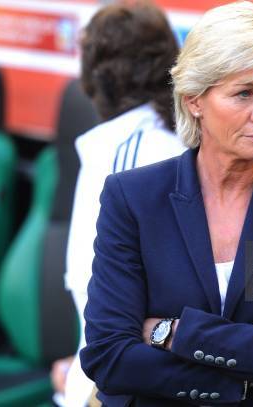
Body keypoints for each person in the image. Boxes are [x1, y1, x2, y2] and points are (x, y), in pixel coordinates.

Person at [81, 2, 253, 406]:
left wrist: (172, 333)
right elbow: (110, 356)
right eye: (244, 93)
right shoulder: (132, 197)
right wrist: (252, 372)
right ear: (194, 100)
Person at [54, 3, 186, 406]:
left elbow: (124, 329)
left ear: (96, 78)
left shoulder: (130, 157)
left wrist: (78, 381)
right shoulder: (148, 142)